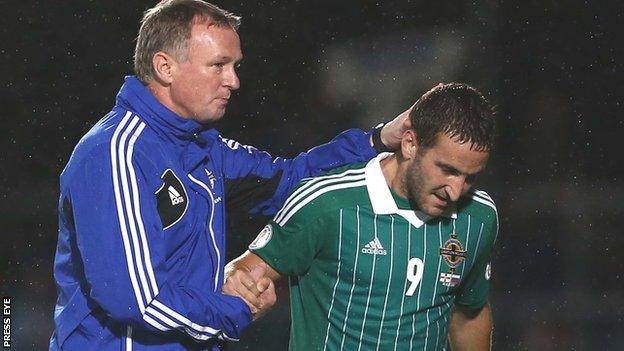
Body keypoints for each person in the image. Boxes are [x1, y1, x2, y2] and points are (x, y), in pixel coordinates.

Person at [49, 0, 408, 350]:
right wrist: (237, 310)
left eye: (235, 65)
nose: (233, 81)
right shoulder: (116, 153)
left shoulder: (201, 146)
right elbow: (135, 298)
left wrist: (376, 140)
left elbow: (289, 180)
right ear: (165, 67)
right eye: (218, 65)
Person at [225, 82, 499, 351]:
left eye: (469, 177)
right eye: (447, 170)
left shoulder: (478, 217)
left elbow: (468, 315)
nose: (455, 191)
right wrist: (243, 286)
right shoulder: (327, 203)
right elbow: (243, 271)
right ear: (410, 144)